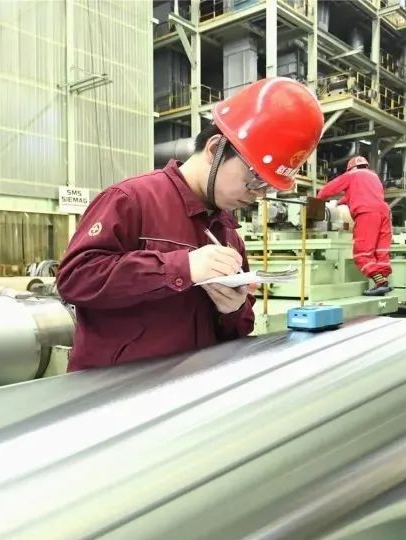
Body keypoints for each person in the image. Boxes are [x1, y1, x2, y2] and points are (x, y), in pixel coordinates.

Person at [56, 77, 324, 372]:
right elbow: (74, 280)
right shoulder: (131, 199)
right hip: (115, 388)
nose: (258, 194)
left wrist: (233, 310)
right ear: (214, 149)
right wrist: (181, 267)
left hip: (192, 387)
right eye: (255, 180)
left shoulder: (228, 234)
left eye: (267, 188)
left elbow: (240, 329)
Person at [316, 156, 393, 296]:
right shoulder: (374, 177)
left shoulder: (352, 174)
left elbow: (329, 189)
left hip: (367, 213)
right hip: (384, 212)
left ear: (350, 168)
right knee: (380, 251)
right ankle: (383, 281)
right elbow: (355, 195)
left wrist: (317, 199)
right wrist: (338, 203)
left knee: (362, 252)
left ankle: (380, 283)